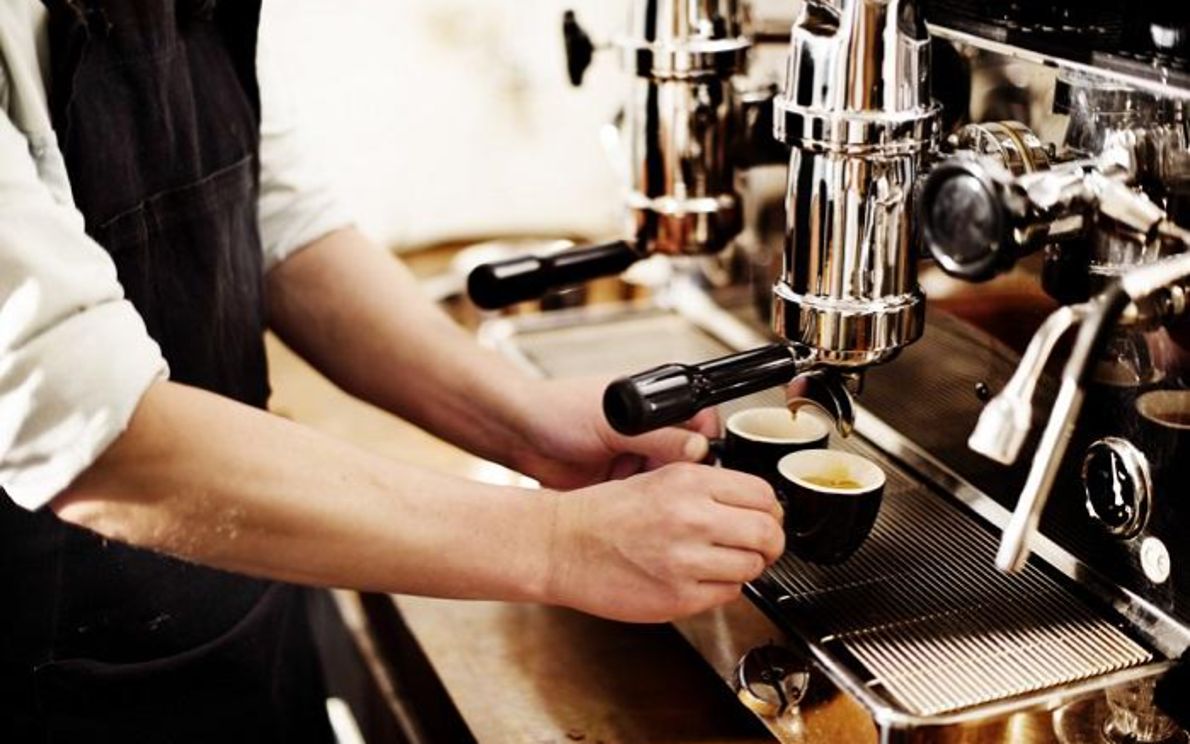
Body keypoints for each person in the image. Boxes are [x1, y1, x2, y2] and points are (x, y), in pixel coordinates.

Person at [0, 2, 785, 740]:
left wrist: (521, 418)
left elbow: (278, 218)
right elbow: (85, 420)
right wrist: (560, 545)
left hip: (239, 606)